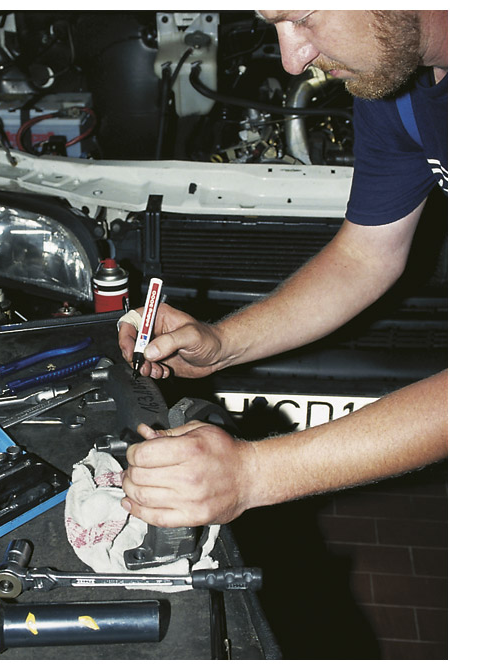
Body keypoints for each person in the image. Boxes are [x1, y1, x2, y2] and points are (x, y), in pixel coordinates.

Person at [117, 10, 448, 528]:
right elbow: (366, 255)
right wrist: (222, 344)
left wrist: (255, 474)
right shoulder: (399, 87)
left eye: (304, 17)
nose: (294, 61)